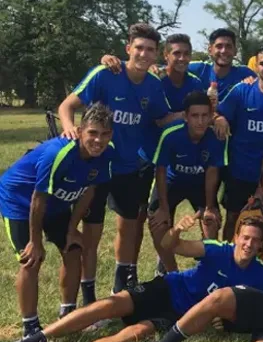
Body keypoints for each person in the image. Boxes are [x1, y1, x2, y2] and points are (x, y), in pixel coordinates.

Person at [0, 214, 263, 342]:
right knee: (111, 305)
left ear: (261, 244)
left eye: (255, 240)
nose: (249, 244)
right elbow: (170, 245)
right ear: (236, 237)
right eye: (245, 237)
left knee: (137, 332)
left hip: (180, 315)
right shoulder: (218, 250)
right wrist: (177, 230)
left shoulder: (261, 276)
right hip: (166, 289)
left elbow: (256, 314)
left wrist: (228, 323)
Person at [58, 23, 181, 296]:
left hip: (128, 167)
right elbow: (67, 105)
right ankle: (89, 296)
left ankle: (119, 287)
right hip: (95, 166)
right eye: (139, 48)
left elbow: (162, 118)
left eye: (150, 49)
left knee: (127, 228)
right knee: (92, 233)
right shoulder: (105, 74)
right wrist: (68, 128)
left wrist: (193, 114)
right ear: (128, 49)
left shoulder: (153, 85)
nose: (144, 54)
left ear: (156, 54)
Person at [0, 104, 114, 336]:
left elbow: (88, 191)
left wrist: (72, 229)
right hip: (20, 201)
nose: (98, 140)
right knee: (31, 260)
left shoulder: (106, 153)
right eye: (92, 133)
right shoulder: (59, 153)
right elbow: (38, 198)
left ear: (111, 135)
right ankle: (31, 327)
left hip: (55, 203)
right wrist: (35, 241)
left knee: (73, 250)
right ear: (80, 131)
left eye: (104, 134)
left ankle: (68, 315)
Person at [102, 34, 205, 278]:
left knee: (196, 214)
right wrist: (107, 59)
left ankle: (176, 267)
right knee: (136, 217)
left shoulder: (196, 81)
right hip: (146, 154)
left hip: (178, 159)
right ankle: (129, 270)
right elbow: (129, 68)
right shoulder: (154, 77)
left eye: (186, 53)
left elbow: (207, 106)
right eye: (176, 53)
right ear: (165, 55)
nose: (181, 58)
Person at [213, 43, 263, 241]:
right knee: (234, 219)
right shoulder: (241, 91)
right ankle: (229, 254)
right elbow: (217, 113)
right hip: (240, 171)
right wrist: (219, 118)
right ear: (256, 65)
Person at [148, 91, 227, 270]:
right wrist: (163, 208)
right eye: (195, 116)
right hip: (172, 181)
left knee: (211, 221)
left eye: (204, 116)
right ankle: (170, 272)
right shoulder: (171, 134)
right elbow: (160, 170)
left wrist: (209, 207)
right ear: (185, 116)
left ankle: (207, 271)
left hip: (199, 183)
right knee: (157, 222)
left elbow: (212, 172)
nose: (200, 121)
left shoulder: (216, 137)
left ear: (211, 116)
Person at [189, 28, 255, 101]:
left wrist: (253, 85)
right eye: (219, 46)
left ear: (235, 51)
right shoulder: (199, 69)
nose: (224, 51)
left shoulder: (245, 73)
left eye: (228, 46)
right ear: (210, 50)